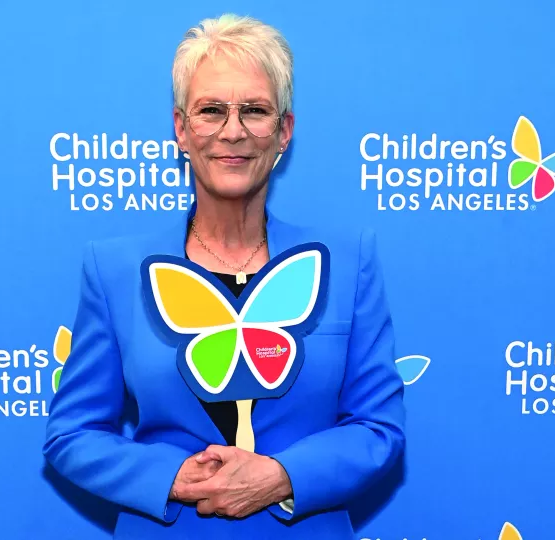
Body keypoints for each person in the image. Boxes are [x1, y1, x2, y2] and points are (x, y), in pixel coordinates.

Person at [43, 13, 406, 539]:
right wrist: (170, 477)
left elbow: (379, 428)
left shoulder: (348, 262)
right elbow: (72, 433)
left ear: (283, 131)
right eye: (211, 110)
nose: (232, 131)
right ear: (181, 129)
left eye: (255, 111)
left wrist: (283, 476)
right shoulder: (114, 269)